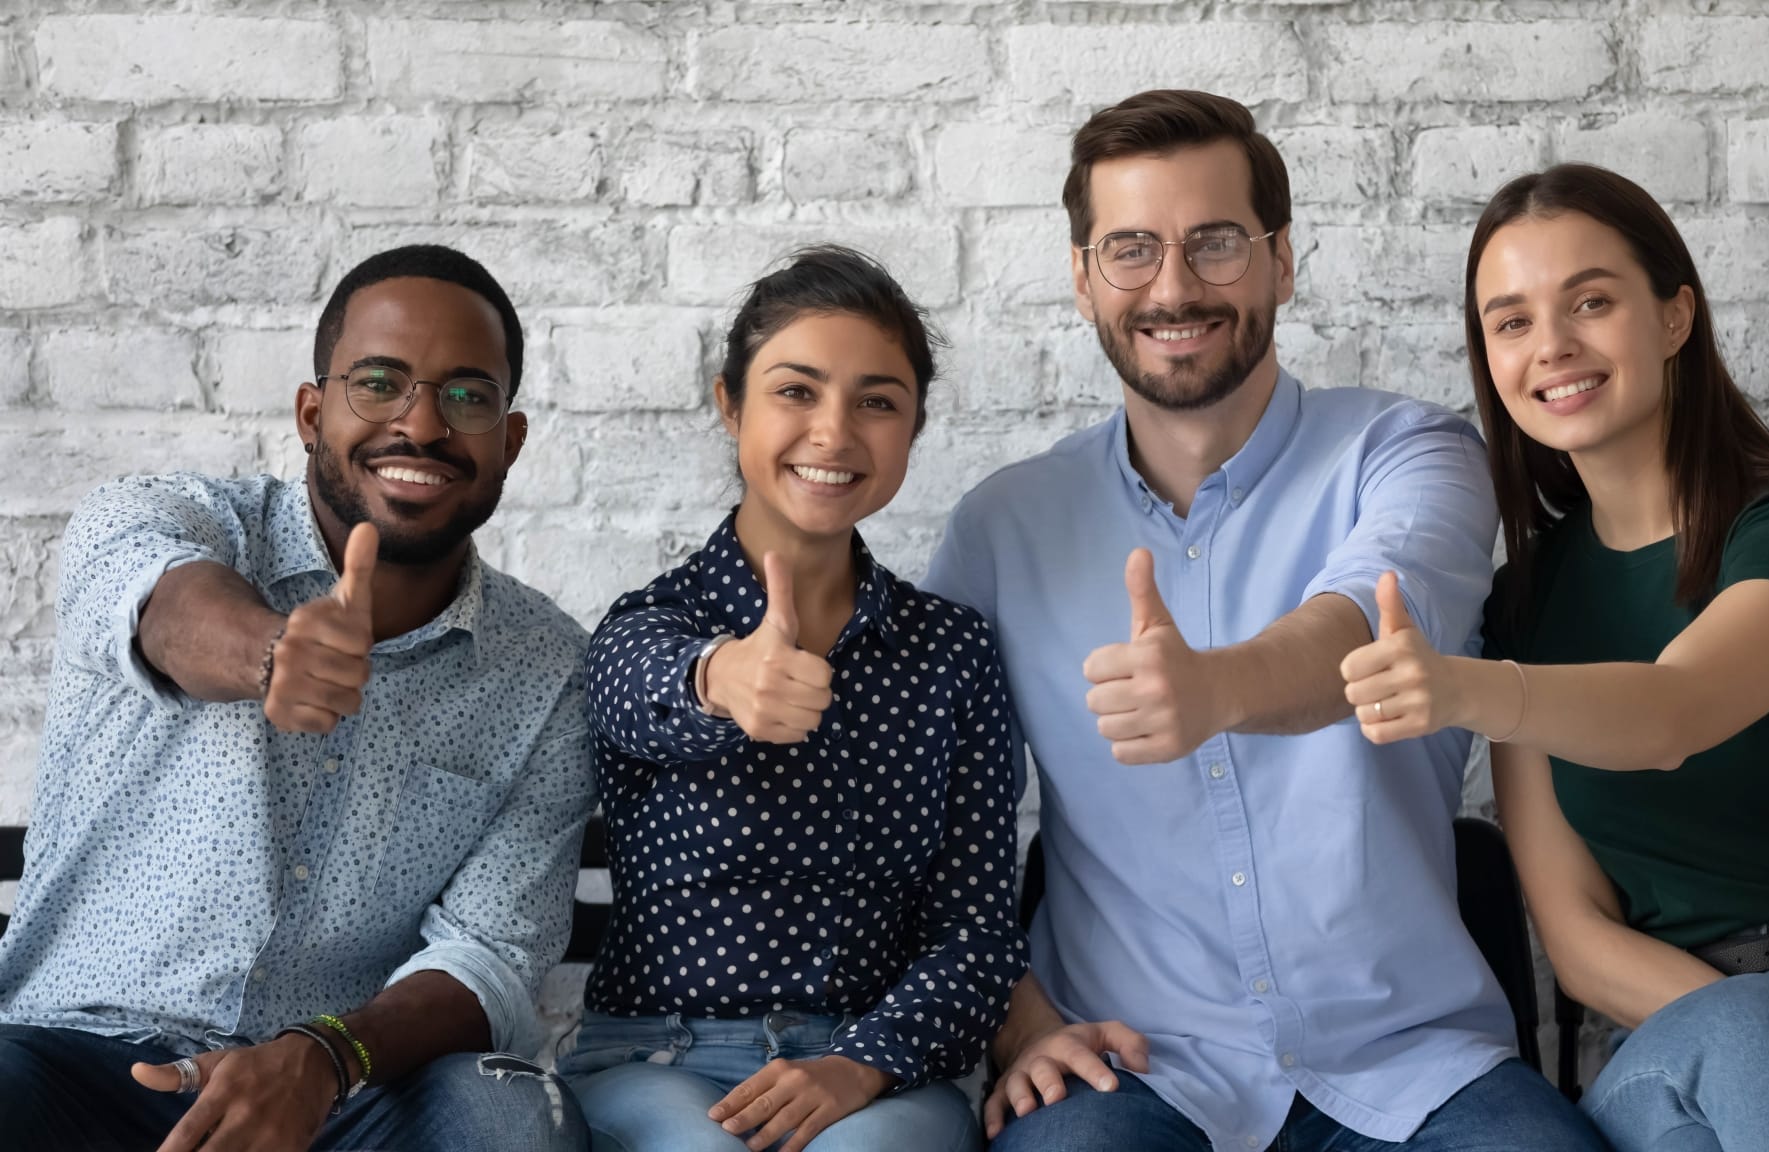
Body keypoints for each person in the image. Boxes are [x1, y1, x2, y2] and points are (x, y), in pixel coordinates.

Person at [924, 90, 1606, 1152]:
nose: (1173, 286)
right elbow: (933, 826)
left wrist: (1214, 690)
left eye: (1216, 244)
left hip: (1412, 1062)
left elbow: (1366, 627)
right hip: (1126, 1066)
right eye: (1131, 250)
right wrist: (1020, 1022)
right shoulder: (1000, 528)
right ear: (1079, 277)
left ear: (1282, 261)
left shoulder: (1409, 453)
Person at [1337, 162, 1769, 1151]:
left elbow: (1677, 709)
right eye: (1510, 321)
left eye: (1589, 301)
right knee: (1757, 1046)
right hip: (1684, 1030)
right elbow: (1578, 940)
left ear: (1673, 318)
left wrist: (1464, 690)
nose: (1552, 346)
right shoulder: (1529, 602)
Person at [0, 244, 596, 1152]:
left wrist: (322, 1056)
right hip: (79, 1060)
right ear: (313, 413)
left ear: (507, 442)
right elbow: (162, 610)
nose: (423, 426)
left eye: (468, 396)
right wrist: (273, 653)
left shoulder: (548, 668)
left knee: (508, 1116)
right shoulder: (163, 516)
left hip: (343, 1092)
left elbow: (493, 955)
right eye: (380, 383)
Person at [564, 245, 1025, 1152]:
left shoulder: (953, 652)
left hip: (876, 1072)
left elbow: (976, 935)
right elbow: (639, 694)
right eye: (796, 391)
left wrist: (860, 1064)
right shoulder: (646, 625)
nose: (834, 432)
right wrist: (722, 679)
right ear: (730, 403)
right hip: (660, 1062)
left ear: (913, 427)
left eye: (878, 401)